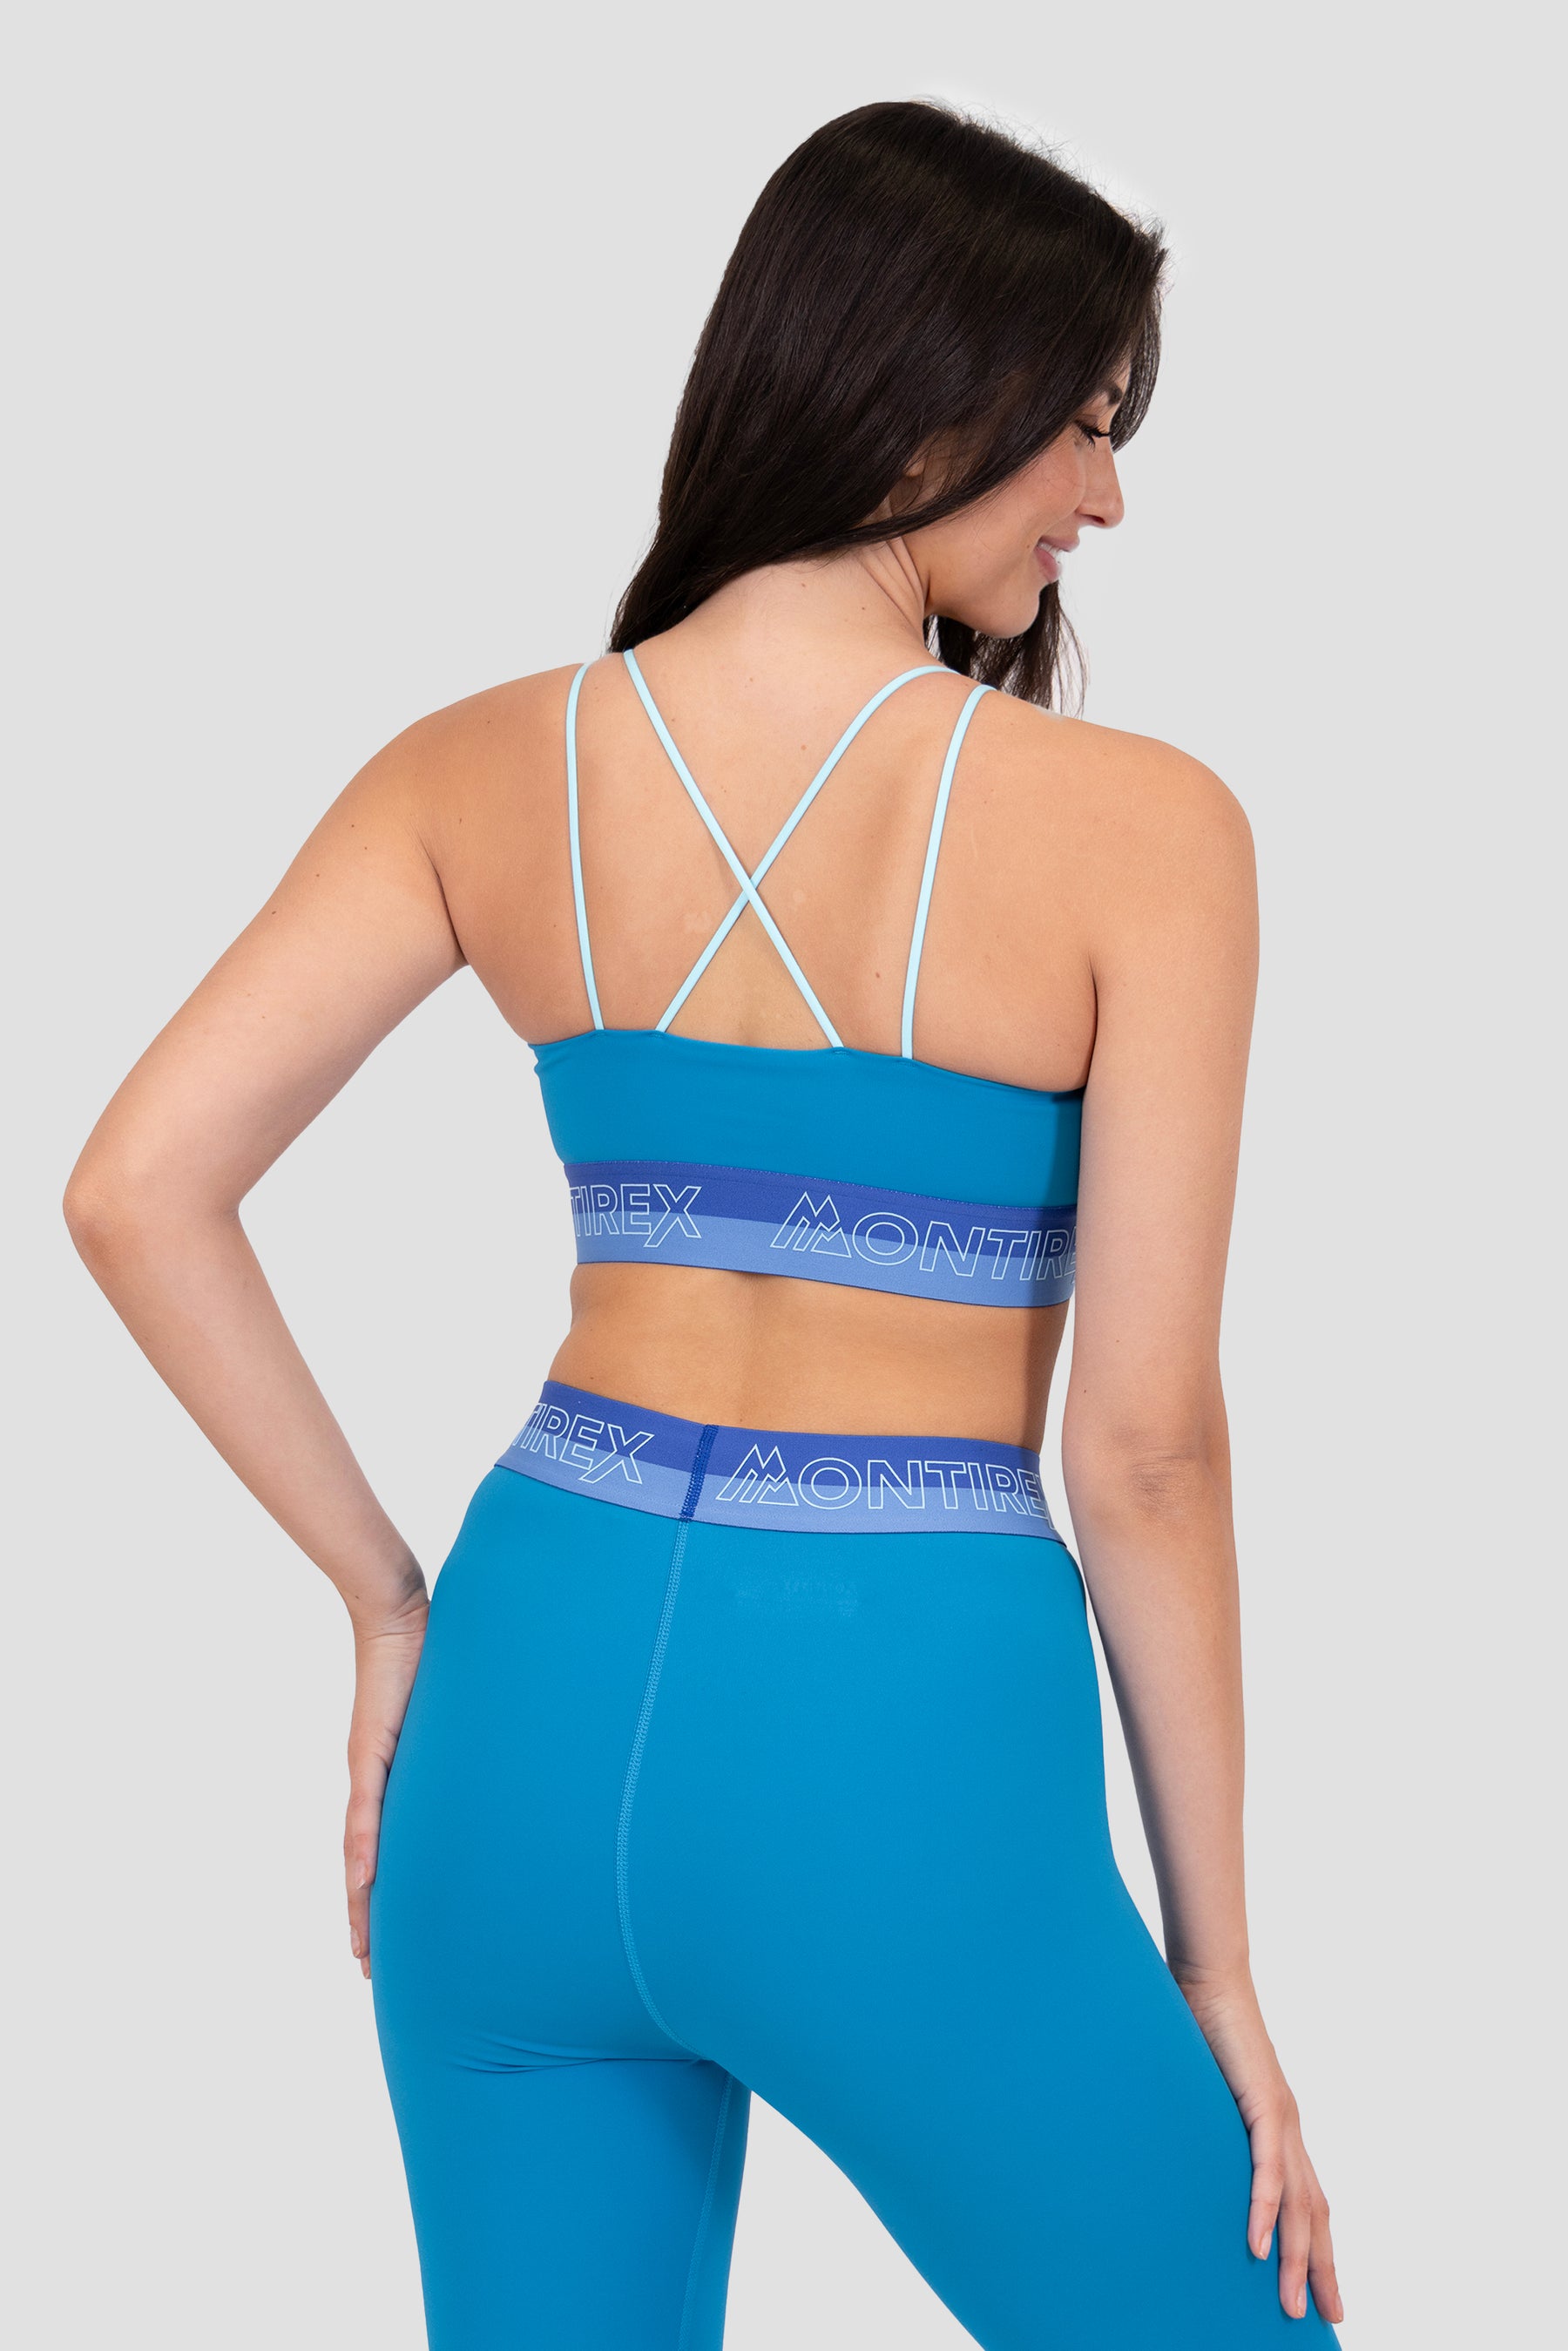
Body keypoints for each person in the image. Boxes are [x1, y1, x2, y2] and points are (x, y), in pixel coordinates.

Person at [64, 98, 1344, 2351]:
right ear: (925, 396)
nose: (1106, 494)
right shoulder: (1146, 831)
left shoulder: (480, 768)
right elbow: (1145, 1452)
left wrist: (386, 1601)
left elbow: (135, 1184)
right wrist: (1218, 1973)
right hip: (890, 1741)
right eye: (1080, 422)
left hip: (517, 1723)